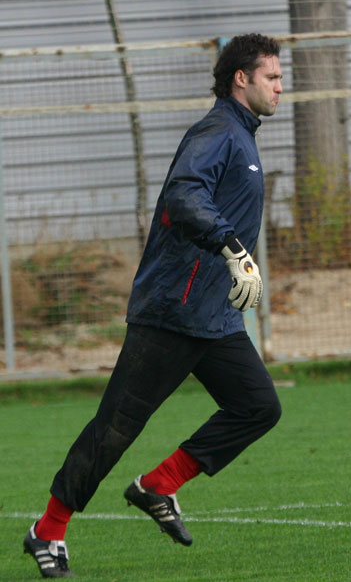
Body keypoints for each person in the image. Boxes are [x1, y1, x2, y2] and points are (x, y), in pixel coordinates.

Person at [23, 32, 284, 579]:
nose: (281, 87)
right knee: (116, 427)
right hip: (172, 310)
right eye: (272, 77)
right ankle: (47, 531)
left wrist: (233, 261)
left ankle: (158, 485)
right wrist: (233, 248)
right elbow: (184, 195)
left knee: (258, 406)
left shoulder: (242, 134)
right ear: (242, 79)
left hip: (214, 316)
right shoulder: (217, 132)